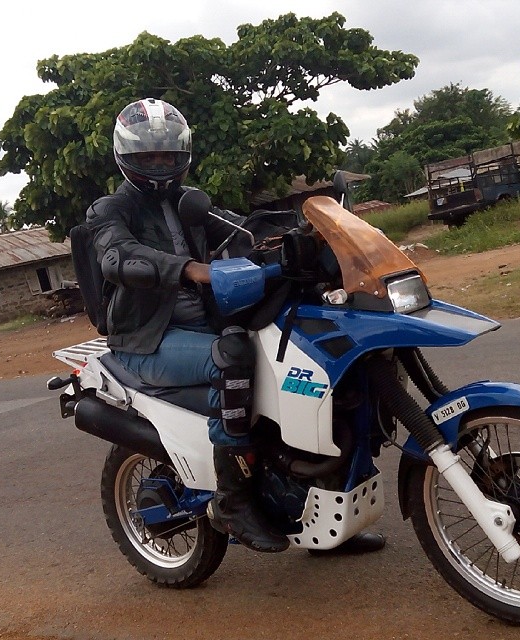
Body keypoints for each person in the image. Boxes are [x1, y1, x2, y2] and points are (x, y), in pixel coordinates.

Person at [87, 97, 384, 556]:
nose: (161, 165)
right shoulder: (110, 211)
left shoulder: (188, 203)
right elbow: (117, 255)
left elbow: (243, 229)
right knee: (235, 356)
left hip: (202, 325)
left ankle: (319, 503)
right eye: (150, 157)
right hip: (147, 340)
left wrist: (306, 233)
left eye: (168, 154)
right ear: (127, 158)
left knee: (304, 360)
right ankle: (233, 499)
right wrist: (190, 269)